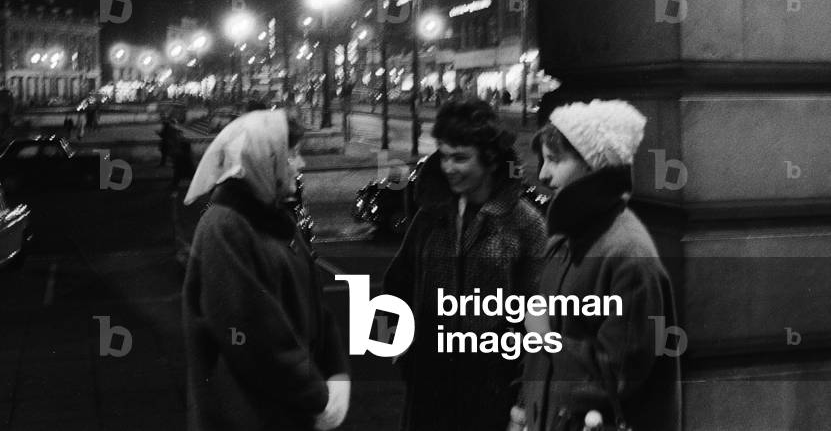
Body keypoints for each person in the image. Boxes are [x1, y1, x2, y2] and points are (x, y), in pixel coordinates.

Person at [515, 99, 680, 431]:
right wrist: (525, 412)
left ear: (594, 165)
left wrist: (546, 339)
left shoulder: (627, 254)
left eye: (554, 160)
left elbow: (618, 375)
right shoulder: (567, 240)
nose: (544, 174)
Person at [383, 99, 547, 431]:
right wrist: (390, 346)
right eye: (443, 156)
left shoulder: (524, 223)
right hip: (429, 379)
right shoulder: (431, 216)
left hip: (492, 385)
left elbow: (538, 318)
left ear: (489, 159)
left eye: (460, 158)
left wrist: (525, 399)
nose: (448, 167)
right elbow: (398, 280)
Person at [182, 109, 350, 431]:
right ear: (263, 159)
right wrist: (318, 395)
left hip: (284, 410)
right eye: (293, 155)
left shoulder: (276, 220)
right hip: (249, 416)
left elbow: (316, 305)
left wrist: (336, 370)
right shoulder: (225, 228)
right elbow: (256, 337)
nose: (301, 165)